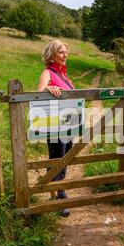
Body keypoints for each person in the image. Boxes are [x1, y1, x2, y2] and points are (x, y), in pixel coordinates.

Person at [37, 39, 75, 217]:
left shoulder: (65, 75)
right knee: (57, 157)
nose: (65, 55)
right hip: (54, 124)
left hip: (69, 122)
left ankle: (54, 187)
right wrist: (48, 88)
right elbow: (40, 92)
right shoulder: (48, 72)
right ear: (52, 54)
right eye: (61, 52)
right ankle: (59, 194)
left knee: (66, 156)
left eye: (65, 52)